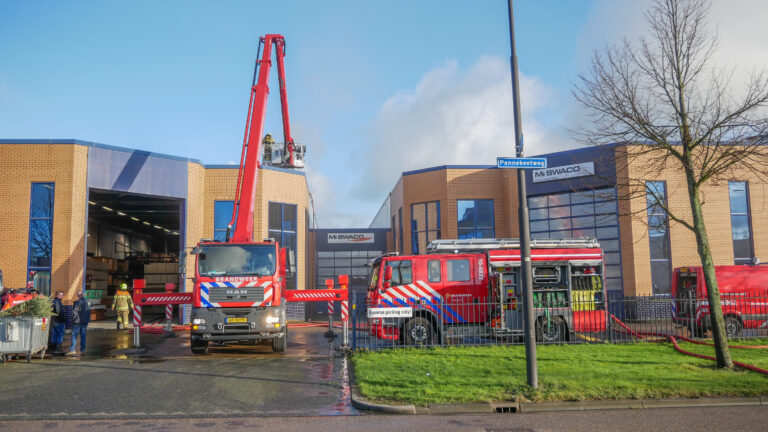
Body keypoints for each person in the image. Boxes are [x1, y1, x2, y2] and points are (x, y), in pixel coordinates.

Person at [67, 290, 90, 356]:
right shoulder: (88, 302)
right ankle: (82, 350)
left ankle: (72, 350)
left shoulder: (78, 302)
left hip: (77, 322)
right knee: (83, 335)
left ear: (78, 295)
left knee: (74, 335)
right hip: (85, 321)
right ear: (83, 295)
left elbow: (74, 312)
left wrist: (74, 319)